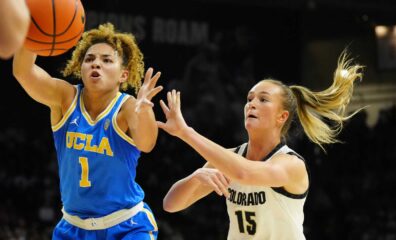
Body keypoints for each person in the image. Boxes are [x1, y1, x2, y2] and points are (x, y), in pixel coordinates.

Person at [158, 51, 363, 239]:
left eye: (263, 100)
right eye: (249, 99)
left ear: (282, 117)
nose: (252, 104)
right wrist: (195, 178)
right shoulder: (231, 157)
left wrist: (186, 132)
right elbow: (171, 204)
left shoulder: (291, 164)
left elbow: (245, 174)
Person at [13, 22, 162, 239]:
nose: (96, 64)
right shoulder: (65, 98)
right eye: (89, 59)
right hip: (73, 228)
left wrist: (145, 110)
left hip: (126, 226)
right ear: (79, 67)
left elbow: (147, 144)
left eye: (107, 60)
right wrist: (33, 27)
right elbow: (23, 72)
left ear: (123, 75)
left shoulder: (128, 107)